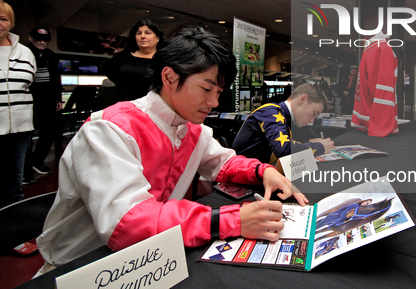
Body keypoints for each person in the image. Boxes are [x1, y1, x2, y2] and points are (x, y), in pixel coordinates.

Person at [35, 27, 307, 274]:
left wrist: (264, 170)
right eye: (206, 88)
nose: (213, 101)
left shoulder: (192, 129)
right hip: (82, 265)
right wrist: (231, 220)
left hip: (150, 258)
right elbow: (127, 223)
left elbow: (223, 163)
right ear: (169, 76)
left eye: (219, 91)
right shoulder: (108, 130)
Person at [232, 83, 334, 165]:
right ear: (302, 99)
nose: (312, 120)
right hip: (238, 182)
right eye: (314, 113)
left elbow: (277, 145)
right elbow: (284, 151)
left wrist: (307, 142)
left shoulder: (283, 116)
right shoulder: (271, 111)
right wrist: (320, 147)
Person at [0, 0, 36, 208]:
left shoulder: (25, 52)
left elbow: (28, 83)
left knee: (13, 183)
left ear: (11, 23)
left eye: (3, 19)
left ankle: (11, 233)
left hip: (20, 129)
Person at [23, 27, 62, 182]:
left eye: (45, 39)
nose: (42, 42)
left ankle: (37, 161)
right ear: (31, 38)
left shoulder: (50, 55)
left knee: (48, 133)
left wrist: (58, 98)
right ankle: (25, 169)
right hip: (29, 99)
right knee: (27, 135)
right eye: (39, 38)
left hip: (48, 100)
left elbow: (55, 77)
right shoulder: (24, 53)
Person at [103, 19, 164, 103]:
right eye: (139, 33)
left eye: (147, 33)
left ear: (157, 38)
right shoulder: (125, 55)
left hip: (152, 107)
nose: (143, 36)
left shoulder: (164, 59)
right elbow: (107, 68)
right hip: (123, 105)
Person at [352, 31, 399, 137]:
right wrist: (382, 124)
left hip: (366, 116)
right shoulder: (382, 48)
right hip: (378, 123)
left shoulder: (369, 49)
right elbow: (384, 84)